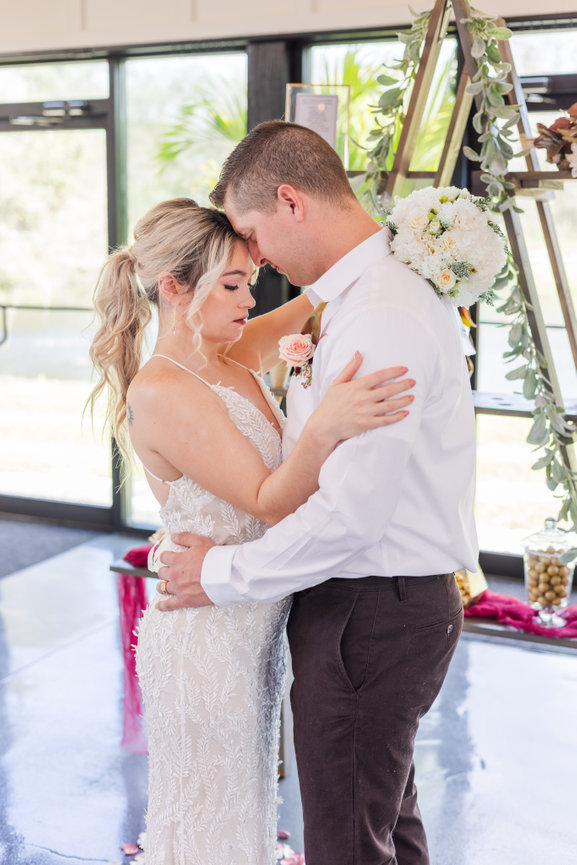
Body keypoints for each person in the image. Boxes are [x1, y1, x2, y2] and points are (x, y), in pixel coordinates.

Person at [155, 123, 479, 865]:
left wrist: (216, 576)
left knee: (345, 846)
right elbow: (221, 353)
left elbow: (349, 517)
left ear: (290, 201)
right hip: (375, 606)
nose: (255, 258)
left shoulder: (378, 313)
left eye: (251, 233)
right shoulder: (353, 296)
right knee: (384, 829)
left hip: (370, 610)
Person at [88, 197, 414, 865]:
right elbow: (269, 500)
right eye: (231, 285)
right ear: (174, 289)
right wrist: (327, 423)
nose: (250, 298)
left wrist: (383, 245)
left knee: (243, 819)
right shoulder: (164, 390)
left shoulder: (228, 351)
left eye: (250, 280)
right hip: (206, 642)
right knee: (215, 826)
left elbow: (310, 303)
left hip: (248, 622)